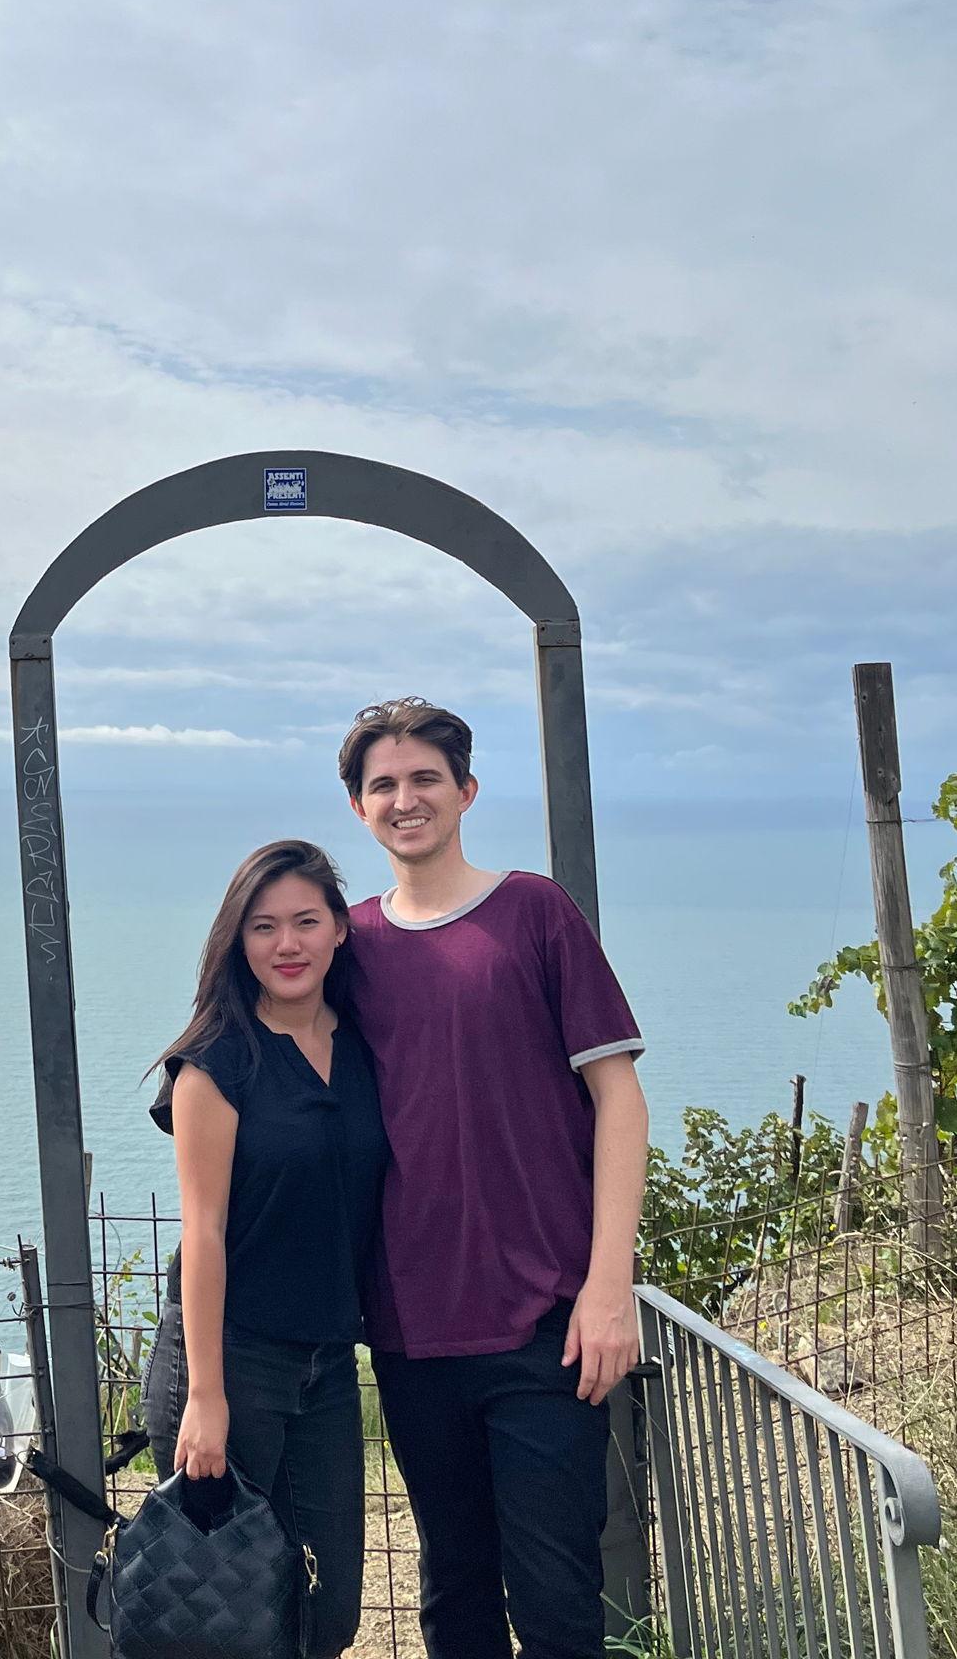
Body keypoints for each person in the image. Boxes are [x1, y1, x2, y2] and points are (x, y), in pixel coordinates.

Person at [338, 697, 649, 1659]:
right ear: (357, 807)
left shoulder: (534, 913)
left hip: (549, 1326)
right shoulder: (345, 946)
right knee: (455, 1600)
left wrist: (608, 1288)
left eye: (425, 778)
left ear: (466, 791)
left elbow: (621, 1103)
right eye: (383, 784)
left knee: (558, 1605)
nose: (405, 799)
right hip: (412, 1328)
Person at [143, 839, 390, 1658]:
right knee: (223, 1611)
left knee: (329, 1611)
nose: (287, 945)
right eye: (263, 927)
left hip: (323, 1361)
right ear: (236, 942)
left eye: (306, 922)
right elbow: (202, 1232)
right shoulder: (215, 1065)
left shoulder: (364, 1046)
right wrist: (206, 1397)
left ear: (341, 931)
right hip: (229, 1359)